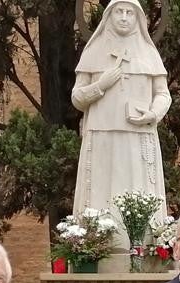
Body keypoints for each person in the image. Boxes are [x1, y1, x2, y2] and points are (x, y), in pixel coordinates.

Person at [72, 0, 170, 251]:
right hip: (102, 134)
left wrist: (152, 114)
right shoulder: (93, 51)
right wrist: (101, 84)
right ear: (109, 15)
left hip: (138, 135)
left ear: (138, 18)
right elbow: (77, 98)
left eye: (129, 12)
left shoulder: (148, 53)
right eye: (119, 11)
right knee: (101, 191)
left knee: (139, 190)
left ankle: (145, 247)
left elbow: (163, 94)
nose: (124, 17)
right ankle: (96, 246)